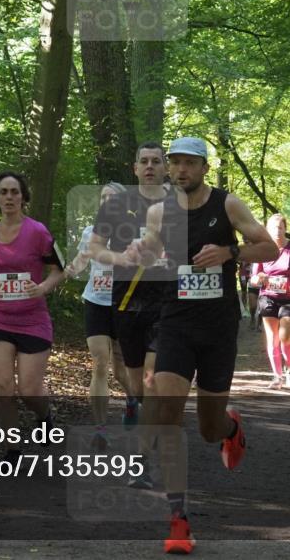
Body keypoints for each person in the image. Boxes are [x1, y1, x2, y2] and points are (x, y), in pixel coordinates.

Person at [127, 136, 278, 554]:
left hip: (216, 327)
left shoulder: (227, 205)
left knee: (209, 429)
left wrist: (230, 251)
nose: (179, 171)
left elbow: (269, 246)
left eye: (188, 164)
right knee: (168, 413)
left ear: (204, 168)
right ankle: (179, 520)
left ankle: (231, 427)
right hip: (175, 323)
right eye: (174, 164)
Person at [0, 171, 65, 461]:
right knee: (3, 387)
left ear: (23, 197)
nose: (9, 197)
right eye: (4, 192)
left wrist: (43, 287)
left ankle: (45, 416)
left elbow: (60, 270)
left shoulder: (38, 232)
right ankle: (12, 450)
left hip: (33, 319)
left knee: (30, 390)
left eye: (15, 192)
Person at [89, 143, 169, 437]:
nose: (150, 166)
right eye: (144, 161)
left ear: (165, 168)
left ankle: (149, 442)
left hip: (168, 300)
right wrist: (119, 257)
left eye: (156, 161)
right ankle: (140, 409)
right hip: (127, 299)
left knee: (152, 376)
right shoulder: (114, 205)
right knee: (136, 380)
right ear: (135, 168)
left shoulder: (181, 204)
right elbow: (95, 248)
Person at [64, 182, 135, 449]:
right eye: (103, 197)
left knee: (121, 370)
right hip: (95, 300)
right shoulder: (89, 232)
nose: (106, 201)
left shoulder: (133, 232)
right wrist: (65, 272)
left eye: (112, 198)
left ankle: (131, 399)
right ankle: (101, 428)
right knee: (99, 361)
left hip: (124, 304)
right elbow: (81, 261)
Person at [249, 214, 290, 389]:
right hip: (268, 297)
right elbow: (253, 279)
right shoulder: (262, 249)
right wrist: (259, 278)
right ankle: (277, 376)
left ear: (285, 229)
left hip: (289, 299)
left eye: (280, 227)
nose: (277, 231)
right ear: (267, 229)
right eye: (274, 227)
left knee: (285, 337)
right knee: (272, 338)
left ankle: (289, 368)